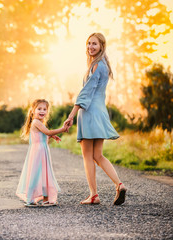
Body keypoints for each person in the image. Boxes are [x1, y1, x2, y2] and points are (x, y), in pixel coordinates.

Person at [64, 32, 127, 205]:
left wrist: (71, 115)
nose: (90, 47)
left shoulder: (96, 66)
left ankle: (94, 195)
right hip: (101, 113)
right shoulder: (104, 66)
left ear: (102, 46)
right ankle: (119, 184)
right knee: (98, 155)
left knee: (87, 156)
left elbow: (86, 93)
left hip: (90, 112)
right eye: (89, 43)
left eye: (95, 44)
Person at [16, 99, 67, 207]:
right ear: (33, 111)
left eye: (45, 109)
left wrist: (52, 136)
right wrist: (62, 129)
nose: (42, 111)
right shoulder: (36, 122)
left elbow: (45, 134)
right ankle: (31, 198)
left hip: (42, 151)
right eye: (39, 108)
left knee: (44, 174)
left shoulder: (40, 123)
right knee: (36, 174)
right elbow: (47, 132)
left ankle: (46, 198)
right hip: (38, 152)